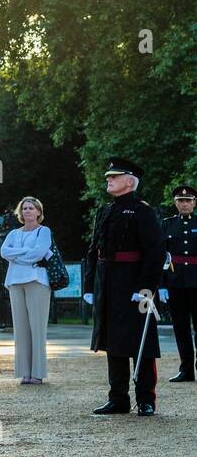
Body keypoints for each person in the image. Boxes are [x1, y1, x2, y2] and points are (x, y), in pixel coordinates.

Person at [83, 157, 166, 416]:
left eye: (114, 176)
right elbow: (94, 249)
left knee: (142, 341)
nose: (109, 179)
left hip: (133, 282)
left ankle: (145, 398)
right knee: (113, 340)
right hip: (108, 282)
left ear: (129, 181)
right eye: (108, 176)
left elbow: (155, 252)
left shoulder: (142, 211)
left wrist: (145, 287)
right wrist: (89, 285)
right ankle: (118, 397)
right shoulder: (105, 210)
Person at [0, 196, 54, 384]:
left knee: (37, 328)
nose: (27, 211)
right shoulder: (14, 234)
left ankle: (37, 373)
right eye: (24, 209)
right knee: (21, 329)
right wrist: (25, 254)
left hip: (37, 281)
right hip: (15, 281)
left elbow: (39, 253)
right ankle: (25, 373)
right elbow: (4, 252)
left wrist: (18, 255)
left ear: (38, 211)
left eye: (31, 208)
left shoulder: (43, 231)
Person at [161, 184, 197, 381]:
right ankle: (186, 370)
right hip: (175, 284)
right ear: (175, 203)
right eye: (181, 201)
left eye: (188, 200)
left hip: (196, 283)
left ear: (194, 203)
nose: (184, 204)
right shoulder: (166, 225)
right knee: (180, 328)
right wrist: (162, 285)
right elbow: (160, 257)